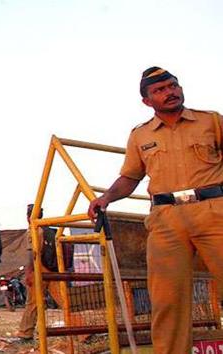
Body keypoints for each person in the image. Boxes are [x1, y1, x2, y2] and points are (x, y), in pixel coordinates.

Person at [88, 67, 223, 353]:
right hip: (166, 220)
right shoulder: (140, 136)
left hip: (214, 211)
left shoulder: (211, 121)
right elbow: (131, 177)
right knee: (167, 301)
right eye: (159, 90)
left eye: (172, 85)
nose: (169, 92)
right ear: (147, 101)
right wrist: (107, 197)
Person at [15, 204, 84, 341]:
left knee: (33, 303)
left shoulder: (34, 230)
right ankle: (83, 331)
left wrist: (29, 272)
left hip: (39, 269)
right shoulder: (48, 230)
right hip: (52, 270)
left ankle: (25, 334)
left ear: (28, 216)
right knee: (64, 301)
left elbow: (32, 253)